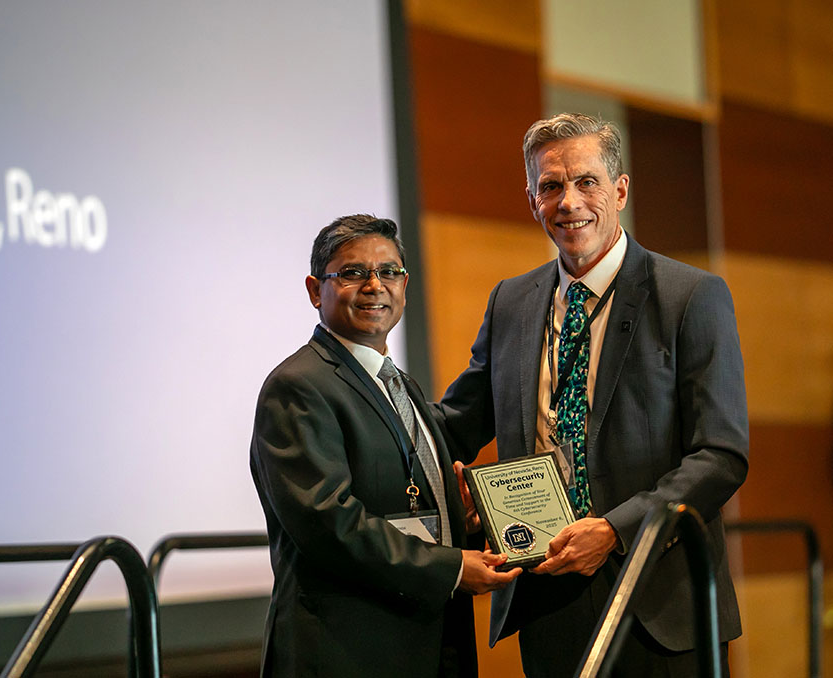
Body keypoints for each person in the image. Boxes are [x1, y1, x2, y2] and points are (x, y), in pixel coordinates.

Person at [436, 113, 749, 677]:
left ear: (620, 190)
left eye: (587, 182)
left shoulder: (691, 297)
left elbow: (721, 455)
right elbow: (456, 420)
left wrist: (613, 530)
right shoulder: (510, 303)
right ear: (532, 200)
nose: (569, 201)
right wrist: (367, 408)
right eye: (551, 186)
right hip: (547, 598)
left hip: (661, 605)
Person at [249, 214, 520, 678]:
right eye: (353, 273)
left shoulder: (397, 383)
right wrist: (452, 568)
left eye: (388, 271)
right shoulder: (297, 386)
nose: (375, 285)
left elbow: (404, 497)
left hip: (424, 640)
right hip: (347, 651)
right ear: (316, 290)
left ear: (404, 285)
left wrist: (463, 521)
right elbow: (330, 524)